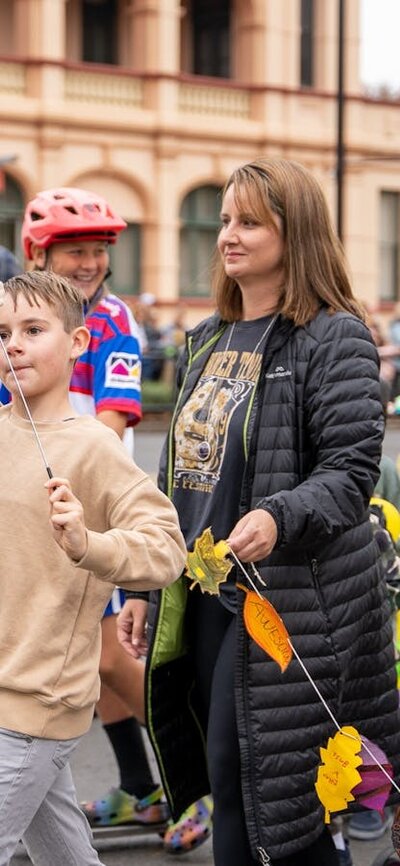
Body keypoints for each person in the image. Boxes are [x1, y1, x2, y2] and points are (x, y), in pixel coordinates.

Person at [117, 158, 400, 865]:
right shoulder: (208, 338)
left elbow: (349, 474)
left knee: (263, 807)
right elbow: (178, 477)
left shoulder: (334, 336)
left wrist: (276, 515)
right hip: (207, 600)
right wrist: (151, 587)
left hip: (291, 610)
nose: (228, 237)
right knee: (250, 796)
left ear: (294, 232)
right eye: (224, 221)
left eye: (249, 222)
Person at [0, 270, 186, 866]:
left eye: (32, 329)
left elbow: (166, 548)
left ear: (78, 342)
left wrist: (88, 543)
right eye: (2, 332)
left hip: (35, 704)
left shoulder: (92, 446)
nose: (13, 345)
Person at [18, 187, 169, 832]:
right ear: (39, 253)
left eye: (99, 251)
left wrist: (73, 479)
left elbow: (109, 419)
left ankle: (206, 776)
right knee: (88, 659)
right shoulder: (27, 320)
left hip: (93, 506)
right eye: (74, 250)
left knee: (109, 657)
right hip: (40, 507)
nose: (88, 263)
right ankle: (139, 786)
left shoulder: (111, 323)